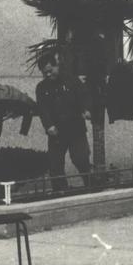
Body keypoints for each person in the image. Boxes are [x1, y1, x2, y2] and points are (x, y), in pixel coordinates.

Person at [35, 53, 92, 190]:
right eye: (44, 73)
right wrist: (48, 125)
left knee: (81, 158)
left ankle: (91, 186)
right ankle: (60, 191)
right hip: (56, 132)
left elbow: (84, 96)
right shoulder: (41, 88)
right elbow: (43, 109)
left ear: (57, 66)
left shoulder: (72, 81)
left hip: (75, 128)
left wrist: (86, 109)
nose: (48, 74)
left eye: (50, 70)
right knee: (55, 164)